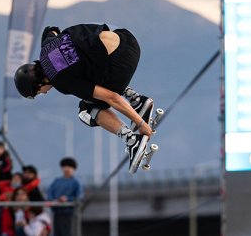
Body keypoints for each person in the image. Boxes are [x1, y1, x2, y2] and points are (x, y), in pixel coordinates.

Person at [14, 24, 154, 173]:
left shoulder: (61, 80)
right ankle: (136, 100)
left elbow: (112, 98)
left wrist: (141, 124)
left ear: (38, 83)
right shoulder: (47, 46)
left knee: (87, 110)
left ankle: (132, 140)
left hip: (121, 63)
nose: (44, 93)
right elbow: (51, 29)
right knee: (85, 67)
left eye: (39, 92)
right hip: (127, 39)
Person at [47, 157, 83, 236]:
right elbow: (49, 192)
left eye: (70, 167)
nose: (67, 169)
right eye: (65, 167)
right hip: (56, 212)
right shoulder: (56, 181)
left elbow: (79, 197)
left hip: (69, 213)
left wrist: (68, 199)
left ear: (73, 169)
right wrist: (53, 200)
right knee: (57, 232)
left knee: (67, 232)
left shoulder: (75, 183)